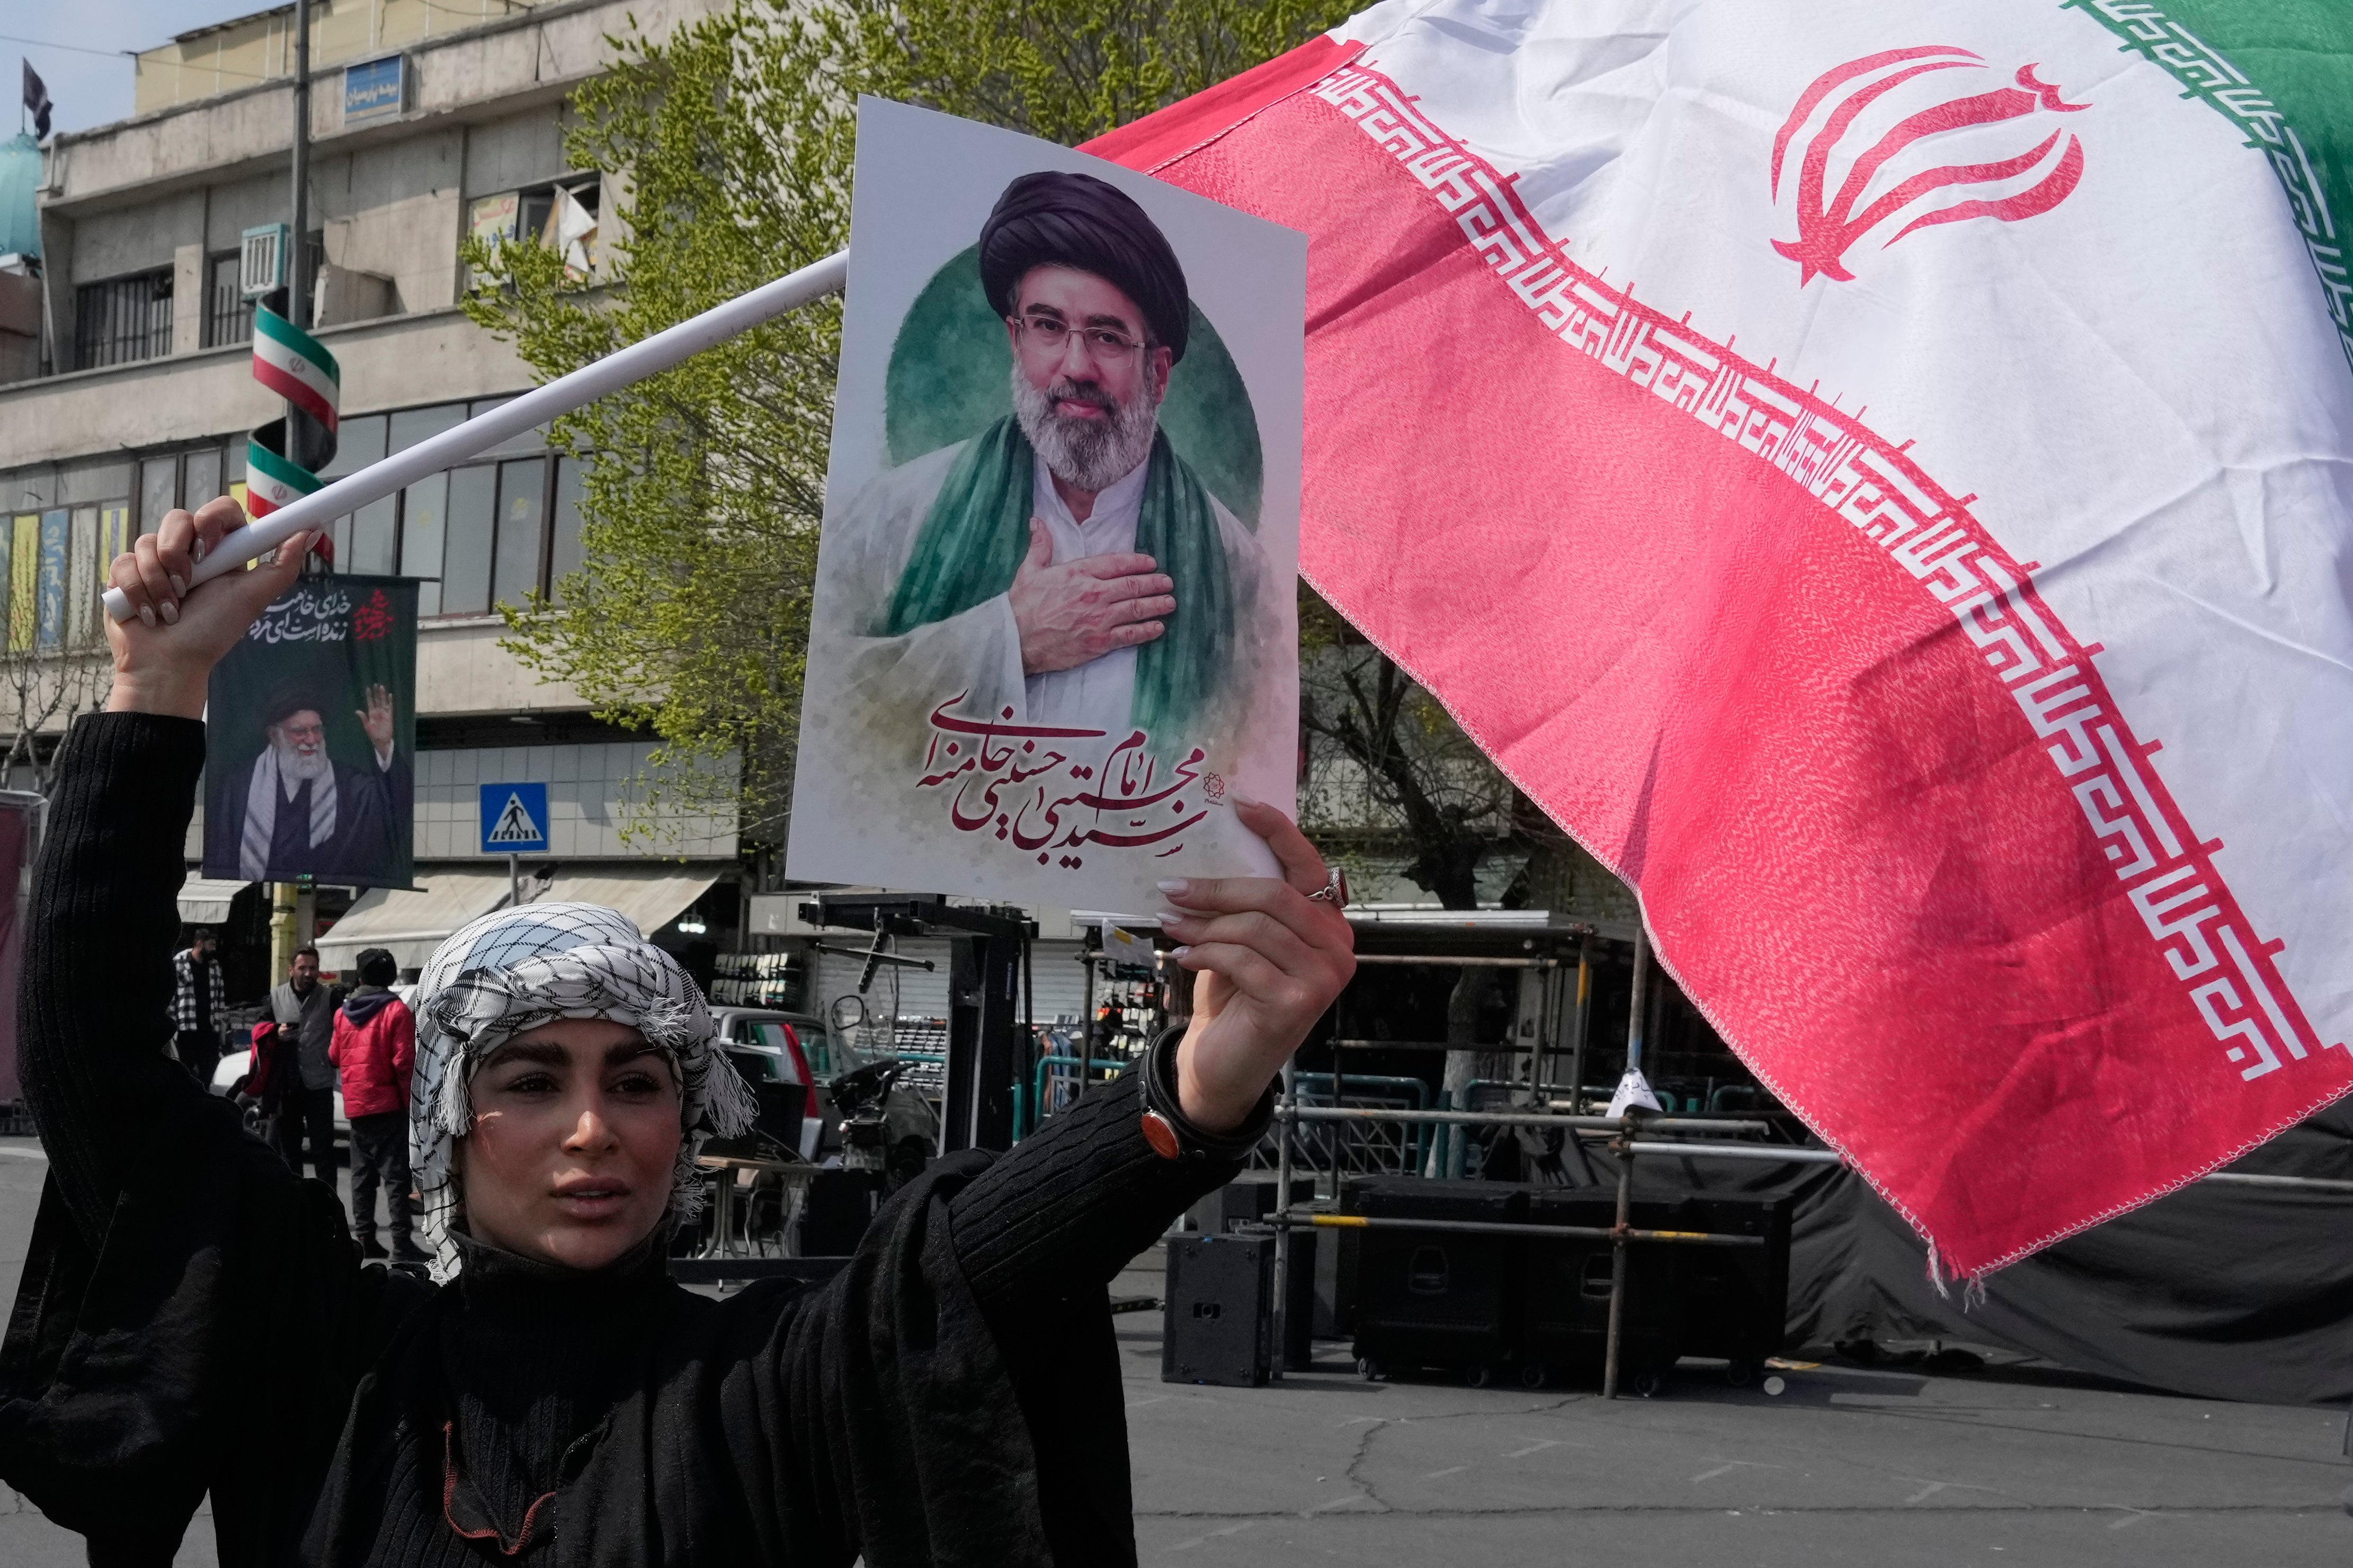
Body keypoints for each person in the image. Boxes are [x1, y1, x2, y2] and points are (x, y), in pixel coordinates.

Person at [0, 497, 1354, 1564]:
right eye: (533, 1081)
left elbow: (961, 1271)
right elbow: (99, 1075)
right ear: (448, 1120)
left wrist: (1198, 1087)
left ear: (686, 1120)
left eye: (636, 1081)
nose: (594, 1129)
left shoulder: (755, 1389)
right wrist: (155, 690)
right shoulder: (328, 1360)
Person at [819, 169, 1277, 758]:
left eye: (1108, 337)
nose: (1076, 366)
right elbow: (829, 707)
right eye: (1048, 327)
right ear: (1015, 341)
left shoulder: (1238, 571)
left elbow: (1252, 760)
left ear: (1158, 374)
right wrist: (1007, 640)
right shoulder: (895, 515)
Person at [203, 679, 409, 884]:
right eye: (300, 732)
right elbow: (223, 852)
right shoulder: (240, 787)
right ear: (275, 736)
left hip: (330, 901)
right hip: (256, 899)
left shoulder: (350, 785)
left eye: (317, 730)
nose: (311, 740)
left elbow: (392, 803)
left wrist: (383, 745)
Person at [331, 946, 423, 1263]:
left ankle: (367, 1239)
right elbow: (404, 1062)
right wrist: (410, 1103)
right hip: (388, 1104)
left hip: (357, 1106)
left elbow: (333, 1056)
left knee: (362, 1177)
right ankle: (402, 1244)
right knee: (396, 1178)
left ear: (361, 975)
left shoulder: (343, 1013)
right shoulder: (396, 1011)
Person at [269, 945, 343, 1182]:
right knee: (289, 1151)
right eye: (303, 968)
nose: (309, 974)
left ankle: (327, 1207)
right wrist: (275, 1032)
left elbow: (344, 1030)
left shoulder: (330, 997)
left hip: (319, 1083)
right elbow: (259, 1031)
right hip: (288, 1084)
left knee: (323, 1150)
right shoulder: (276, 996)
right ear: (291, 970)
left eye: (313, 968)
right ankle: (296, 1206)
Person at [169, 926, 226, 1078]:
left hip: (209, 1030)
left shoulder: (214, 966)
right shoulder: (179, 963)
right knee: (185, 1072)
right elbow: (172, 998)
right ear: (200, 944)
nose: (214, 949)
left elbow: (220, 997)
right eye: (211, 945)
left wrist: (219, 1027)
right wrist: (172, 1027)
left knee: (208, 1071)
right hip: (187, 1029)